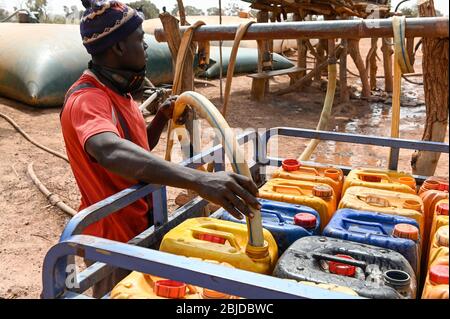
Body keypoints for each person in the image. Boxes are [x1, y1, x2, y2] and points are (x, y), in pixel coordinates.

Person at [60, 0, 260, 298]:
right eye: (140, 40)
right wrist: (199, 179)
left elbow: (138, 149)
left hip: (141, 225)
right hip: (113, 239)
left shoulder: (121, 92)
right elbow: (110, 152)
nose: (145, 48)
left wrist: (160, 120)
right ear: (117, 48)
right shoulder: (88, 99)